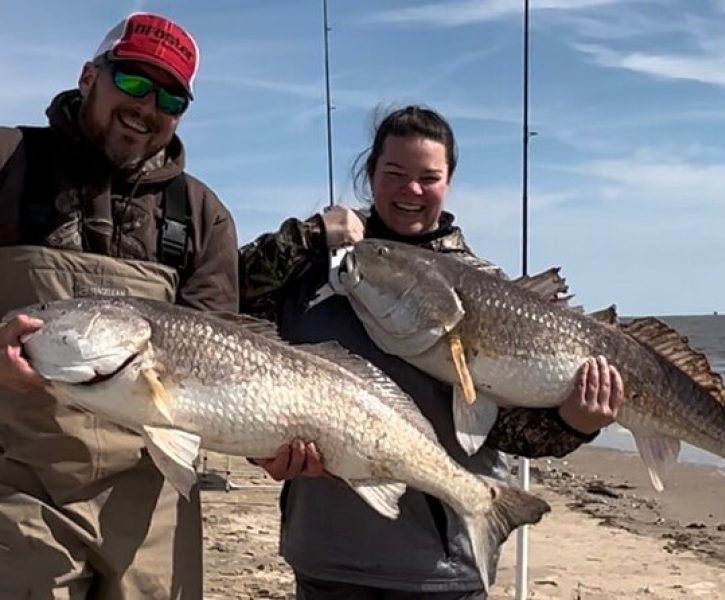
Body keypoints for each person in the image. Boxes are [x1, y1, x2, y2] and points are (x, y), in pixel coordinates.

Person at [239, 105, 624, 599]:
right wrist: (311, 234)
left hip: (441, 569)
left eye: (429, 177)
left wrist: (576, 422)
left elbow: (508, 429)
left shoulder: (489, 290)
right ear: (369, 172)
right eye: (394, 173)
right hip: (325, 557)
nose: (411, 190)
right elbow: (219, 312)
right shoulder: (310, 270)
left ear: (450, 181)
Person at [0, 12, 238, 599]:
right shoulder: (7, 162)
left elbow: (218, 366)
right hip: (18, 489)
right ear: (88, 76)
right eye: (133, 80)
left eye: (170, 96)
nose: (147, 104)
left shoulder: (202, 214)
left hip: (152, 503)